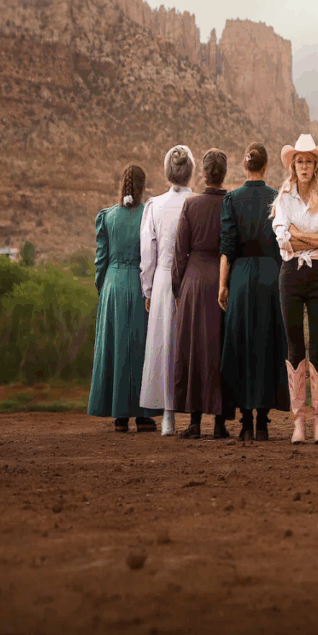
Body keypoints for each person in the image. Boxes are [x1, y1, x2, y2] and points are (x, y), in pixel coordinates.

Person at [218, 143, 290, 441]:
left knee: (242, 345)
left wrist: (223, 285)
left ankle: (245, 420)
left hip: (241, 278)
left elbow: (227, 248)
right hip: (272, 276)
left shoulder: (232, 199)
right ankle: (262, 420)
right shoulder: (278, 197)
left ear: (245, 167)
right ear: (266, 166)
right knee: (267, 345)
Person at [272, 134, 318, 445]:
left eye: (309, 161)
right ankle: (299, 421)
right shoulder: (283, 198)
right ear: (293, 165)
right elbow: (284, 239)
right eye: (299, 160)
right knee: (294, 345)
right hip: (290, 275)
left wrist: (302, 236)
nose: (304, 166)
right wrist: (315, 238)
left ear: (315, 167)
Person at [87, 164, 164, 432]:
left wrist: (105, 288)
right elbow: (153, 255)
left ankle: (119, 417)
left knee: (116, 347)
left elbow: (100, 261)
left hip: (113, 285)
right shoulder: (148, 215)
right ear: (143, 187)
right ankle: (144, 414)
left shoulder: (106, 217)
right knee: (142, 348)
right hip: (142, 285)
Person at [172, 149, 232, 439]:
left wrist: (177, 289)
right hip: (223, 281)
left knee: (195, 349)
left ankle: (194, 422)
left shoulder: (190, 205)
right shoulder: (230, 204)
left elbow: (179, 252)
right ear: (224, 174)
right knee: (219, 350)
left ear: (204, 174)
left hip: (194, 283)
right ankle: (220, 423)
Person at [140, 145, 195, 436]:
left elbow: (147, 253)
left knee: (164, 343)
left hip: (162, 280)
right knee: (188, 343)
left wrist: (147, 290)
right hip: (190, 278)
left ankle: (167, 415)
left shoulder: (154, 206)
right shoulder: (197, 202)